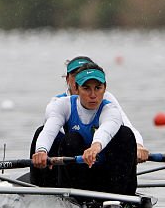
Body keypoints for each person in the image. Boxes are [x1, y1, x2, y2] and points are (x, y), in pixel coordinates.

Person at [30, 64, 137, 198]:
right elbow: (48, 130)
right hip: (76, 178)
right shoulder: (62, 105)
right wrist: (41, 151)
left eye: (98, 88)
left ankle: (122, 198)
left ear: (105, 88)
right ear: (76, 88)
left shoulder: (111, 110)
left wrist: (94, 148)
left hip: (107, 177)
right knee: (70, 139)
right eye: (86, 88)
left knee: (125, 134)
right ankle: (49, 194)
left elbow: (105, 131)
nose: (93, 95)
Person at [53, 56, 149, 163]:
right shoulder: (58, 102)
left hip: (100, 153)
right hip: (72, 157)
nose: (82, 79)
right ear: (68, 80)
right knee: (69, 139)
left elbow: (127, 126)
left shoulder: (106, 98)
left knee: (124, 133)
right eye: (76, 75)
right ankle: (41, 177)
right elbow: (51, 133)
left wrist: (138, 146)